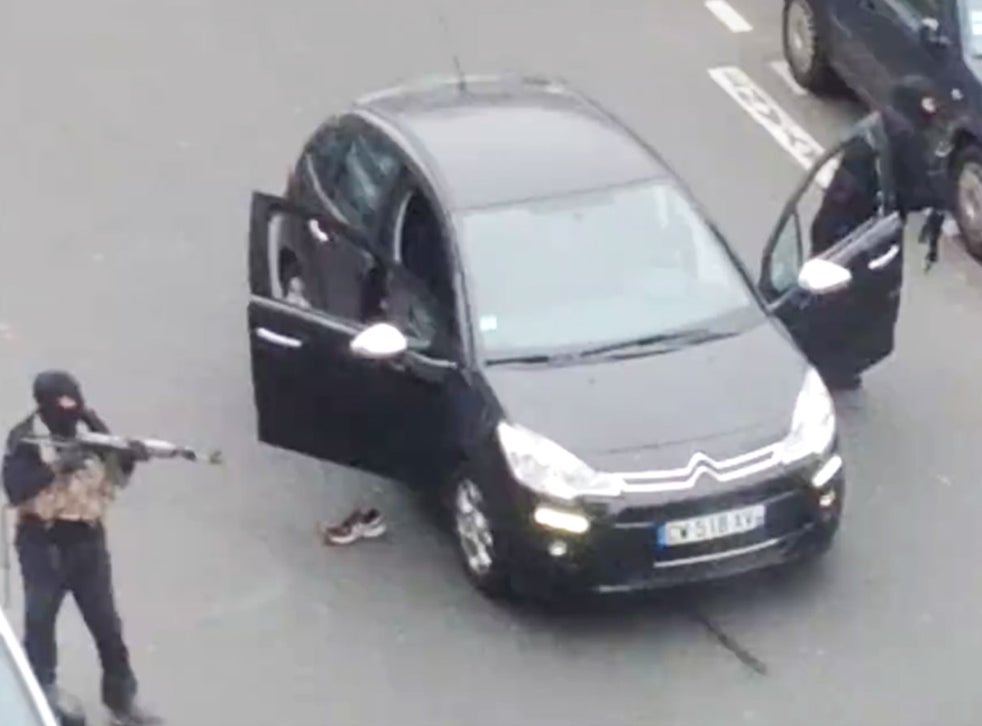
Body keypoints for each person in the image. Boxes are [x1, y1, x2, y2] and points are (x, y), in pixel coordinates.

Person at [1, 371, 161, 725]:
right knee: (40, 625)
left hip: (88, 541)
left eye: (77, 403)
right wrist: (58, 466)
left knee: (107, 626)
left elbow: (115, 472)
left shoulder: (90, 425)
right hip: (43, 545)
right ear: (45, 404)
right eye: (64, 406)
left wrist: (129, 457)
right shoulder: (25, 439)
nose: (73, 412)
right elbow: (15, 490)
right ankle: (41, 696)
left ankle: (122, 700)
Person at [809, 74, 951, 390]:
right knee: (855, 301)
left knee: (830, 297)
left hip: (836, 223)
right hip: (857, 236)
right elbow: (916, 192)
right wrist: (940, 195)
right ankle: (834, 365)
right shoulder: (904, 137)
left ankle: (826, 355)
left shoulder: (880, 125)